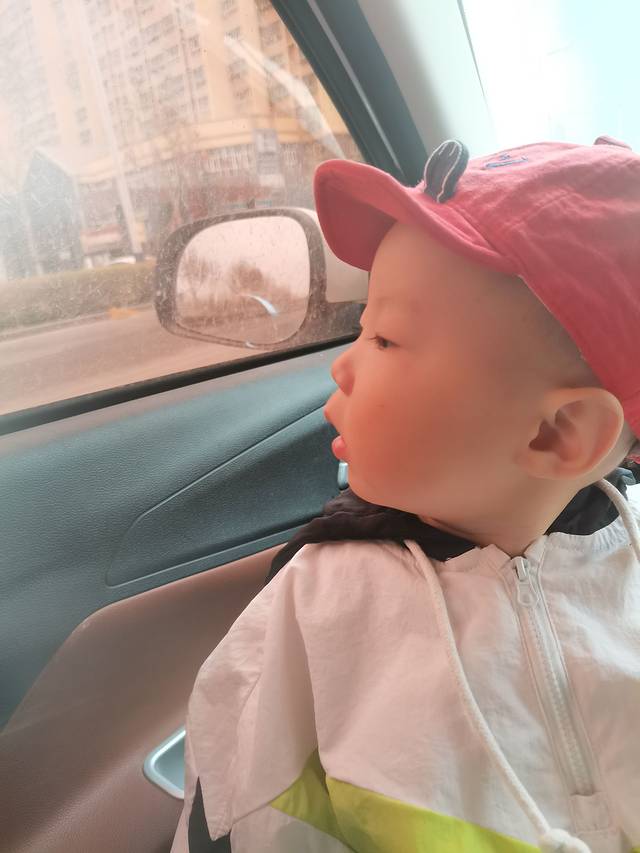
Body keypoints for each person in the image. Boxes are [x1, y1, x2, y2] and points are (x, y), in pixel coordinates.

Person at [171, 138, 640, 853]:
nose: (343, 365)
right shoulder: (316, 604)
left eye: (385, 338)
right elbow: (242, 810)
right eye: (362, 327)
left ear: (557, 433)